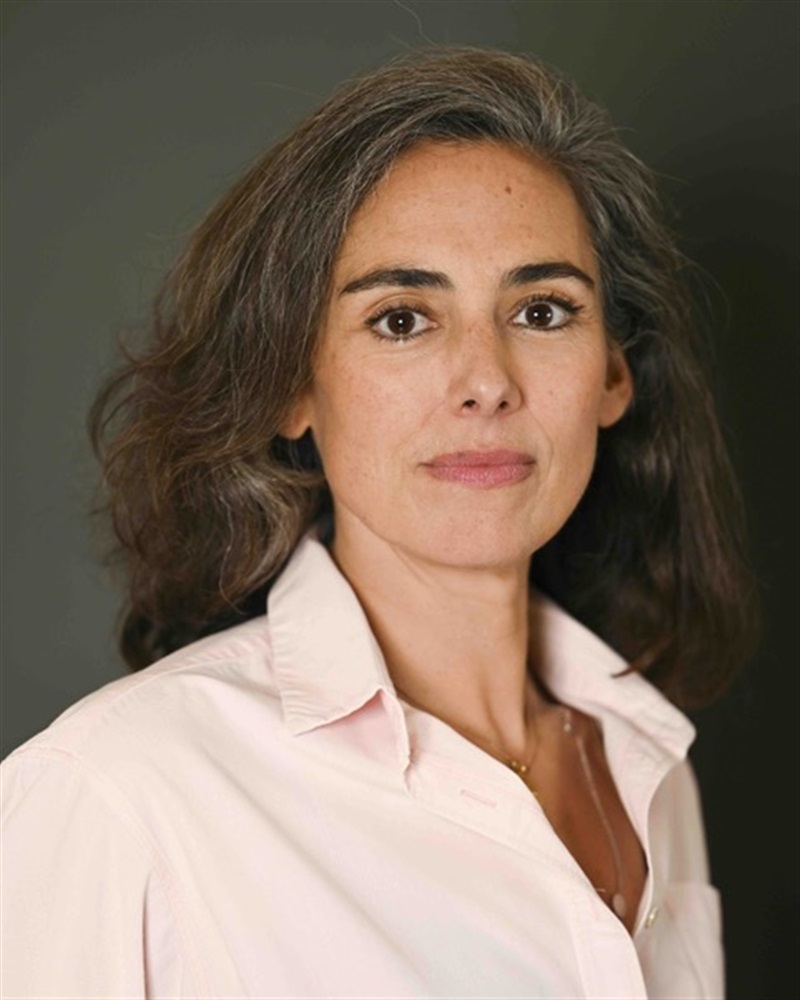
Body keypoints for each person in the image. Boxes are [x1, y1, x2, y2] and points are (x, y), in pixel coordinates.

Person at [1, 47, 757, 998]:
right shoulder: (119, 793)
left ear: (614, 372)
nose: (486, 382)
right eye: (402, 319)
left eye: (542, 311)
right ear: (290, 384)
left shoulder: (651, 769)